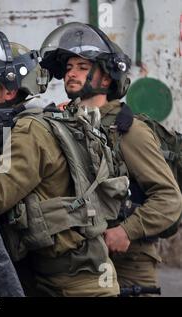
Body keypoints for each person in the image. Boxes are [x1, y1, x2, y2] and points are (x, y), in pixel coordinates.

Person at [0, 25, 123, 297]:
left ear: (10, 91)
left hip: (77, 285)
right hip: (56, 277)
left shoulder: (29, 130)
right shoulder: (19, 126)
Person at [40, 22, 182, 295]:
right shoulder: (65, 123)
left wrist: (127, 231)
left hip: (129, 260)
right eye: (69, 68)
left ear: (106, 78)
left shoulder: (129, 131)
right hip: (80, 259)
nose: (72, 73)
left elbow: (169, 198)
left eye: (82, 67)